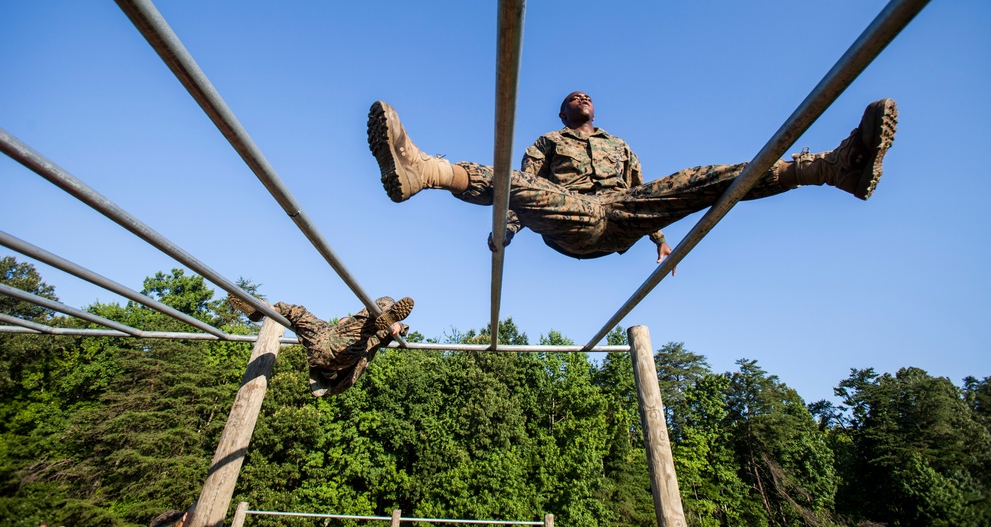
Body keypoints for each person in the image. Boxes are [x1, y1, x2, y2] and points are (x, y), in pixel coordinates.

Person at [366, 92, 897, 262]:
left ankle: (832, 168)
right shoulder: (547, 144)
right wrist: (505, 232)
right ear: (562, 115)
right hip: (570, 222)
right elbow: (523, 191)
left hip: (624, 216)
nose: (582, 98)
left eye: (587, 97)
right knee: (521, 182)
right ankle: (425, 170)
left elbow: (648, 190)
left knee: (699, 178)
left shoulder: (620, 146)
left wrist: (661, 242)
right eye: (572, 98)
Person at [229, 294, 413, 396]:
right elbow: (303, 317)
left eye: (345, 321)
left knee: (371, 320)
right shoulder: (327, 329)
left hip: (342, 359)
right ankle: (260, 309)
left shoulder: (366, 336)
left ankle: (387, 314)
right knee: (297, 312)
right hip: (321, 346)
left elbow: (389, 333)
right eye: (343, 321)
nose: (344, 322)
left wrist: (396, 326)